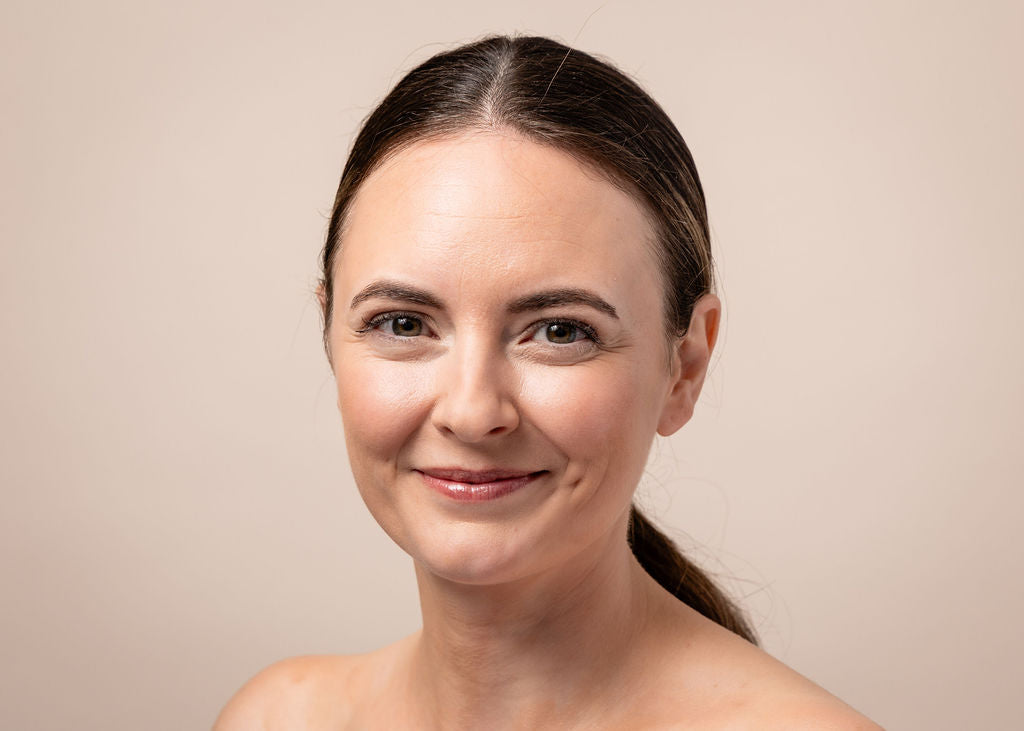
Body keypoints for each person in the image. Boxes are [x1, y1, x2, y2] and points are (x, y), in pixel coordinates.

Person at [215, 35, 880, 729]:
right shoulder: (276, 717)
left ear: (684, 367)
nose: (473, 412)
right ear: (329, 333)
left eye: (561, 330)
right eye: (404, 324)